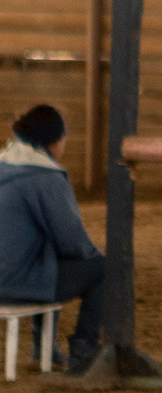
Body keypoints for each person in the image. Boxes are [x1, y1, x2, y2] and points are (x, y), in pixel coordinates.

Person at [0, 104, 107, 374]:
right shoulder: (45, 177)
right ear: (53, 140)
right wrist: (93, 257)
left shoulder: (4, 166)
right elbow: (72, 241)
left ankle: (43, 347)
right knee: (107, 269)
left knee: (43, 255)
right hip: (14, 284)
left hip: (9, 274)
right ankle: (84, 350)